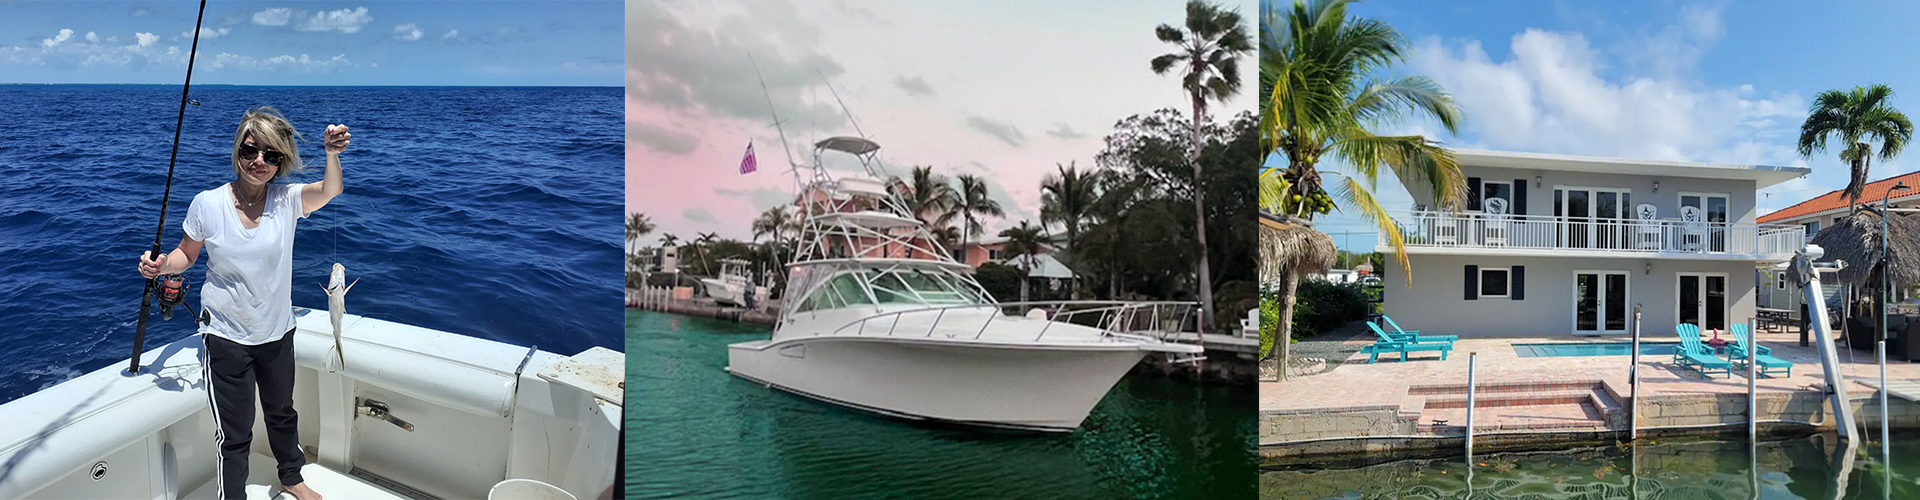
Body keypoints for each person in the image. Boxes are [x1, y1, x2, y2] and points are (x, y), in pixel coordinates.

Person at [137, 107, 349, 500]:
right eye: (252, 150)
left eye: (272, 156)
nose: (259, 162)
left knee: (282, 413)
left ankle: (292, 477)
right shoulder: (208, 203)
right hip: (225, 337)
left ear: (281, 162)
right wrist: (163, 265)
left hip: (277, 333)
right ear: (239, 149)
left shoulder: (287, 200)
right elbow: (187, 253)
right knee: (235, 434)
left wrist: (331, 153)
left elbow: (330, 190)